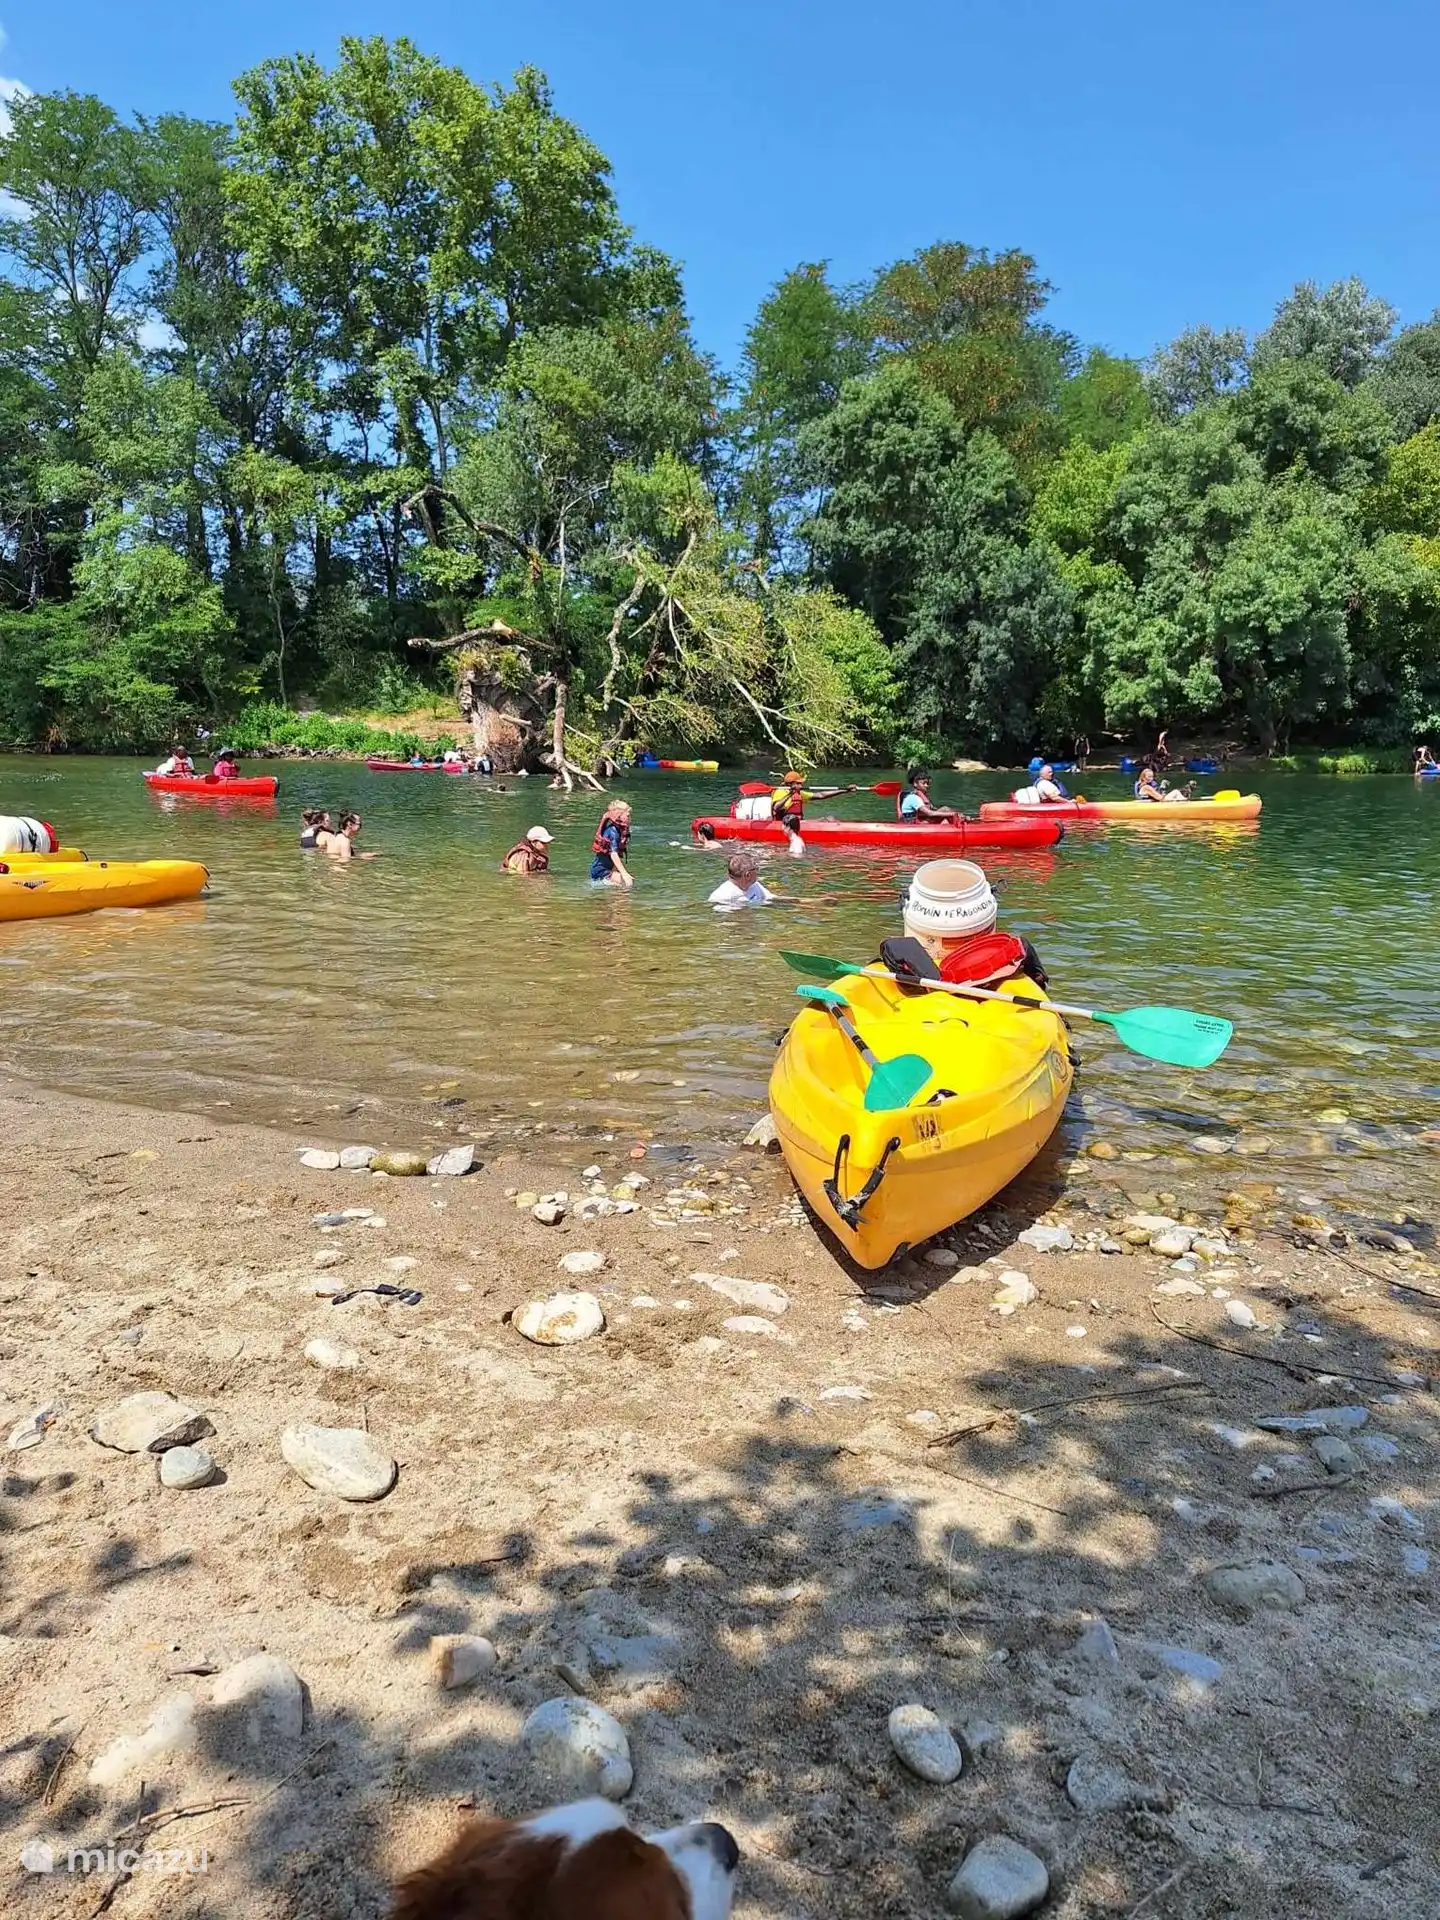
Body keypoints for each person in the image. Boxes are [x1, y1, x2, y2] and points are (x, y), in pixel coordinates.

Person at [769, 770, 854, 854]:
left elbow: (821, 795)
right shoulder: (780, 792)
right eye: (798, 783)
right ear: (790, 784)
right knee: (827, 820)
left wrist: (844, 790)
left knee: (830, 819)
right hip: (783, 825)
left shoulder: (799, 793)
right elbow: (776, 807)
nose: (801, 785)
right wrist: (791, 793)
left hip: (799, 824)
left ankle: (848, 832)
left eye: (800, 783)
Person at [590, 799, 634, 887]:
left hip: (609, 868)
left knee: (628, 881)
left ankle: (614, 899)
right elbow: (613, 854)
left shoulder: (620, 831)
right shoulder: (613, 831)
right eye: (628, 816)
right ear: (618, 816)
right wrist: (624, 874)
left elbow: (618, 853)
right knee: (627, 883)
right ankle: (619, 900)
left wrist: (615, 870)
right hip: (600, 870)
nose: (630, 818)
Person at [709, 853, 776, 909]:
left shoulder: (754, 885)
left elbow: (772, 899)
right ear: (748, 875)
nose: (758, 871)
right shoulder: (723, 897)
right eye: (756, 869)